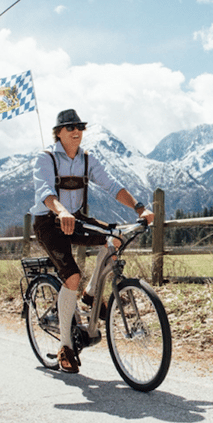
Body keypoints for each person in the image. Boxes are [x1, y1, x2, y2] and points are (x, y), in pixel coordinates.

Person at [30, 109, 154, 373]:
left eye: (80, 127)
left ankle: (91, 295)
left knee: (116, 238)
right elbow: (44, 191)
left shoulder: (88, 159)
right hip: (49, 223)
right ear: (58, 132)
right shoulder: (46, 158)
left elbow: (112, 185)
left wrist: (139, 207)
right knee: (71, 276)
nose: (77, 131)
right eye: (70, 127)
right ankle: (65, 347)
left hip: (75, 218)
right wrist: (60, 210)